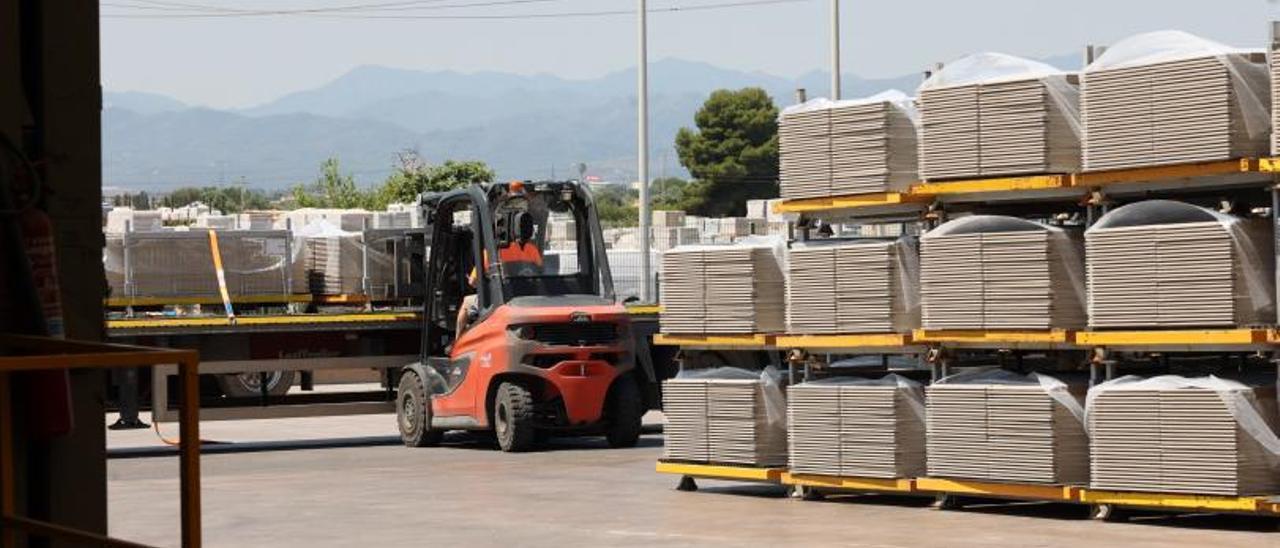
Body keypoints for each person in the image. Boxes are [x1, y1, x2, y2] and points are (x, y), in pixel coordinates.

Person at [456, 211, 543, 336]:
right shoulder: (532, 249)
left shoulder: (493, 251)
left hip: (502, 297)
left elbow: (474, 282)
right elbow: (538, 271)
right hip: (527, 294)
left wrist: (471, 280)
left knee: (466, 303)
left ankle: (458, 341)